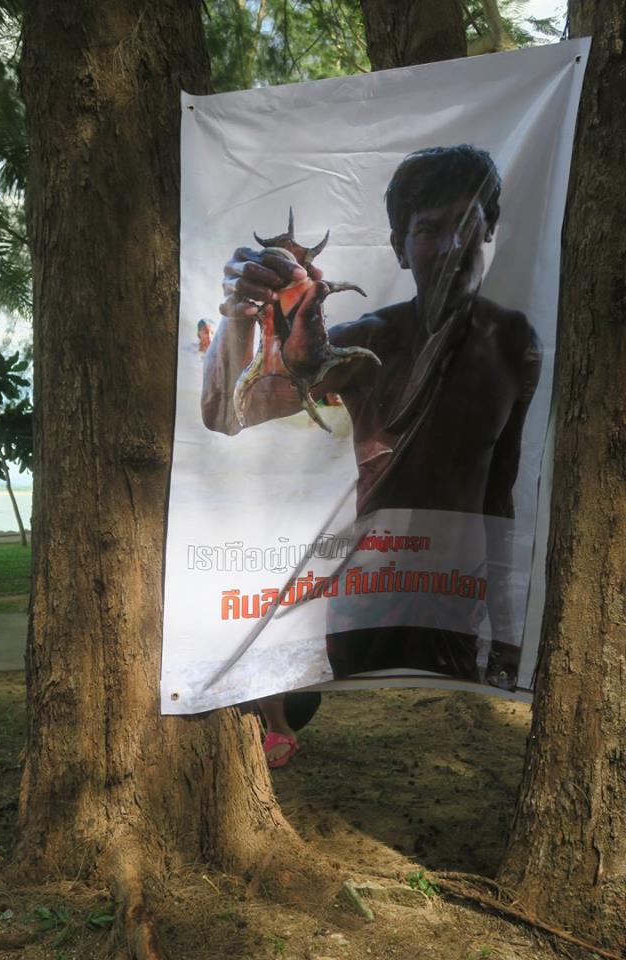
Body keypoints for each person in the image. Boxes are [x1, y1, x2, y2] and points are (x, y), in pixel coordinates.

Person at [202, 144, 542, 696]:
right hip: (369, 607)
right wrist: (238, 313)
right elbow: (225, 414)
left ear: (490, 226)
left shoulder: (514, 344)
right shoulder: (369, 342)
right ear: (400, 249)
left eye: (466, 223)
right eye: (428, 229)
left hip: (453, 611)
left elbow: (498, 496)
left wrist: (506, 635)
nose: (452, 246)